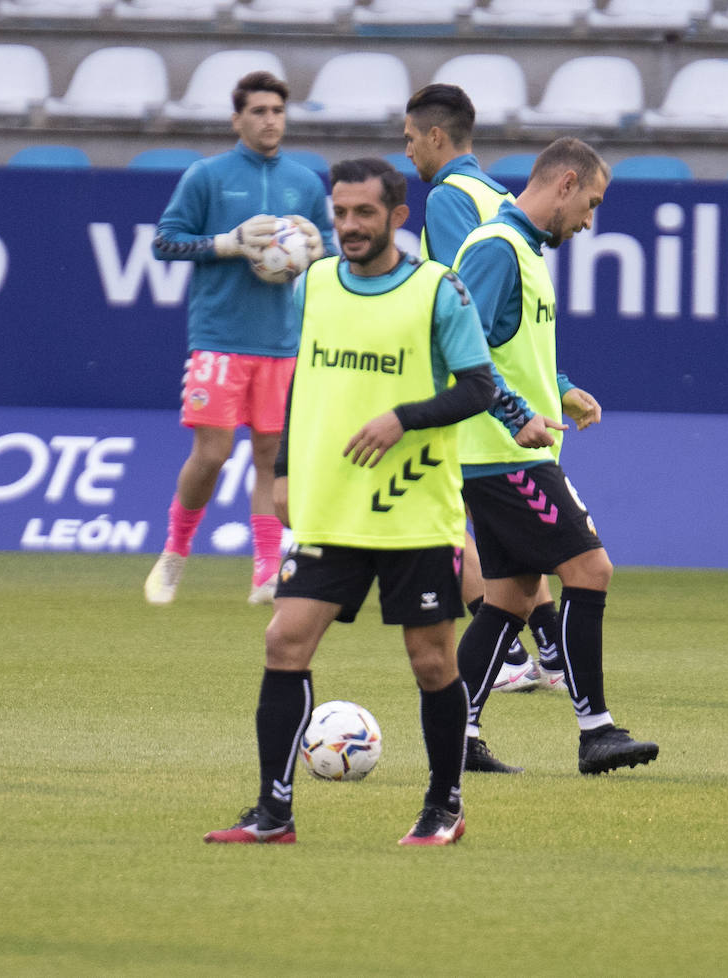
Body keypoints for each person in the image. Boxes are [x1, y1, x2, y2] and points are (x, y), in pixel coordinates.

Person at [204, 158, 497, 847]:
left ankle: (443, 808)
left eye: (364, 213)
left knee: (431, 662)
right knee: (284, 642)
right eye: (340, 214)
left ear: (398, 216)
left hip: (412, 509)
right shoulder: (315, 285)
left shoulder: (437, 290)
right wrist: (278, 471)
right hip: (331, 509)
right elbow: (302, 382)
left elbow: (478, 388)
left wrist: (404, 418)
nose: (350, 226)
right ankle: (274, 814)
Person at [450, 137, 659, 776]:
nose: (590, 221)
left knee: (509, 597)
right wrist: (517, 414)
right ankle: (595, 731)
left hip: (506, 452)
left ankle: (455, 733)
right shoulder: (495, 248)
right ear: (564, 183)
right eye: (591, 203)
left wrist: (561, 389)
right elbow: (465, 347)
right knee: (591, 569)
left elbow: (513, 346)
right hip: (503, 454)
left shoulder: (524, 252)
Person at [403, 83, 568, 716]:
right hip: (515, 398)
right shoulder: (496, 194)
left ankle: (515, 660)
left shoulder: (448, 198)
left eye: (412, 138)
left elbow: (460, 309)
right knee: (517, 541)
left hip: (473, 402)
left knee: (446, 525)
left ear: (437, 137)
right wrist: (562, 383)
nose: (408, 150)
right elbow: (518, 314)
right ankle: (548, 653)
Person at [145, 70, 332, 606]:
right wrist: (225, 243)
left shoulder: (305, 182)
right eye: (258, 111)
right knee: (213, 452)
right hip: (220, 337)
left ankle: (266, 571)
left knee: (270, 458)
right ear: (237, 119)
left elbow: (329, 255)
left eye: (277, 110)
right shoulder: (207, 176)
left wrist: (319, 253)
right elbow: (164, 242)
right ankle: (176, 551)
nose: (270, 119)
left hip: (282, 341)